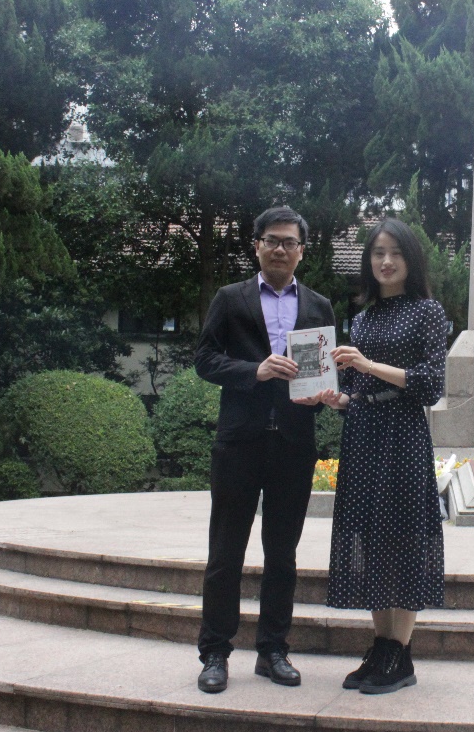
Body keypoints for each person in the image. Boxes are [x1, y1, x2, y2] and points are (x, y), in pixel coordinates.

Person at [192, 205, 336, 694]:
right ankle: (215, 652)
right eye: (271, 240)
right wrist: (253, 371)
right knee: (225, 552)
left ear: (301, 251)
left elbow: (323, 370)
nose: (280, 249)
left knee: (282, 555)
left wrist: (321, 395)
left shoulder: (318, 306)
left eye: (289, 242)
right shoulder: (230, 299)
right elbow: (204, 359)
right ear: (256, 246)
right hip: (240, 441)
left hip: (294, 443)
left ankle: (273, 650)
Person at [316, 218, 448, 694]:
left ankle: (401, 652)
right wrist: (338, 398)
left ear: (410, 259)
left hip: (404, 434)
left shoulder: (428, 312)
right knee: (370, 537)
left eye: (395, 253)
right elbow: (357, 387)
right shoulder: (362, 318)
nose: (386, 261)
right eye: (377, 254)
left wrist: (369, 365)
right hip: (364, 434)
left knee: (405, 536)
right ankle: (381, 646)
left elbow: (431, 384)